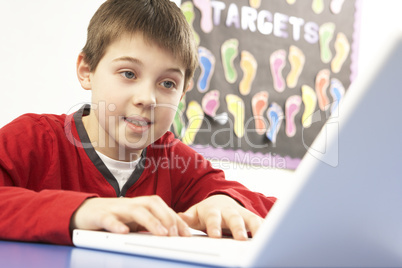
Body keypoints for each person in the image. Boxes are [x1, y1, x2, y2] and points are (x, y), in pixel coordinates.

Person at [0, 0, 276, 245]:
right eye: (129, 73)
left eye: (167, 83)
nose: (148, 98)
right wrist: (82, 211)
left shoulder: (175, 160)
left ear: (182, 93)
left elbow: (277, 211)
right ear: (87, 71)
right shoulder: (32, 139)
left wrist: (226, 201)